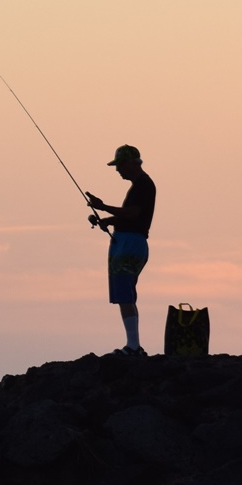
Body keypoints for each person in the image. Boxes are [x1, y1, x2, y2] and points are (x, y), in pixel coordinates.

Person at [85, 145, 156, 356]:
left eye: (120, 166)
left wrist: (104, 207)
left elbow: (133, 215)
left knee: (125, 294)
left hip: (130, 244)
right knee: (126, 294)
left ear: (130, 163)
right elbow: (132, 216)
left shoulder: (143, 184)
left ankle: (133, 346)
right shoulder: (139, 185)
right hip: (130, 241)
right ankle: (133, 344)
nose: (118, 171)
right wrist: (109, 220)